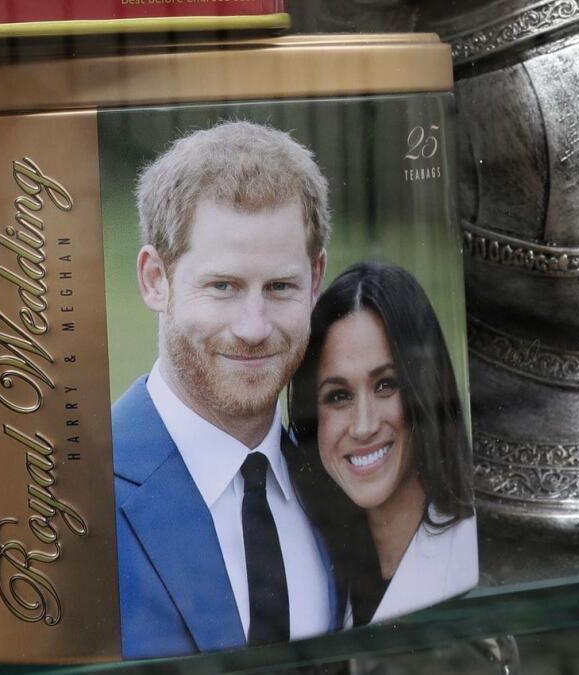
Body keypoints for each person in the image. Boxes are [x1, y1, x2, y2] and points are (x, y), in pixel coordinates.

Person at [112, 120, 343, 659]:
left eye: (280, 287)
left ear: (316, 280)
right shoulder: (74, 499)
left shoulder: (343, 481)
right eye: (224, 287)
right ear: (155, 279)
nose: (254, 327)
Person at [287, 262, 477, 626]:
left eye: (386, 385)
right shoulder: (317, 574)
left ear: (427, 389)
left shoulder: (472, 558)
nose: (363, 426)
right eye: (338, 395)